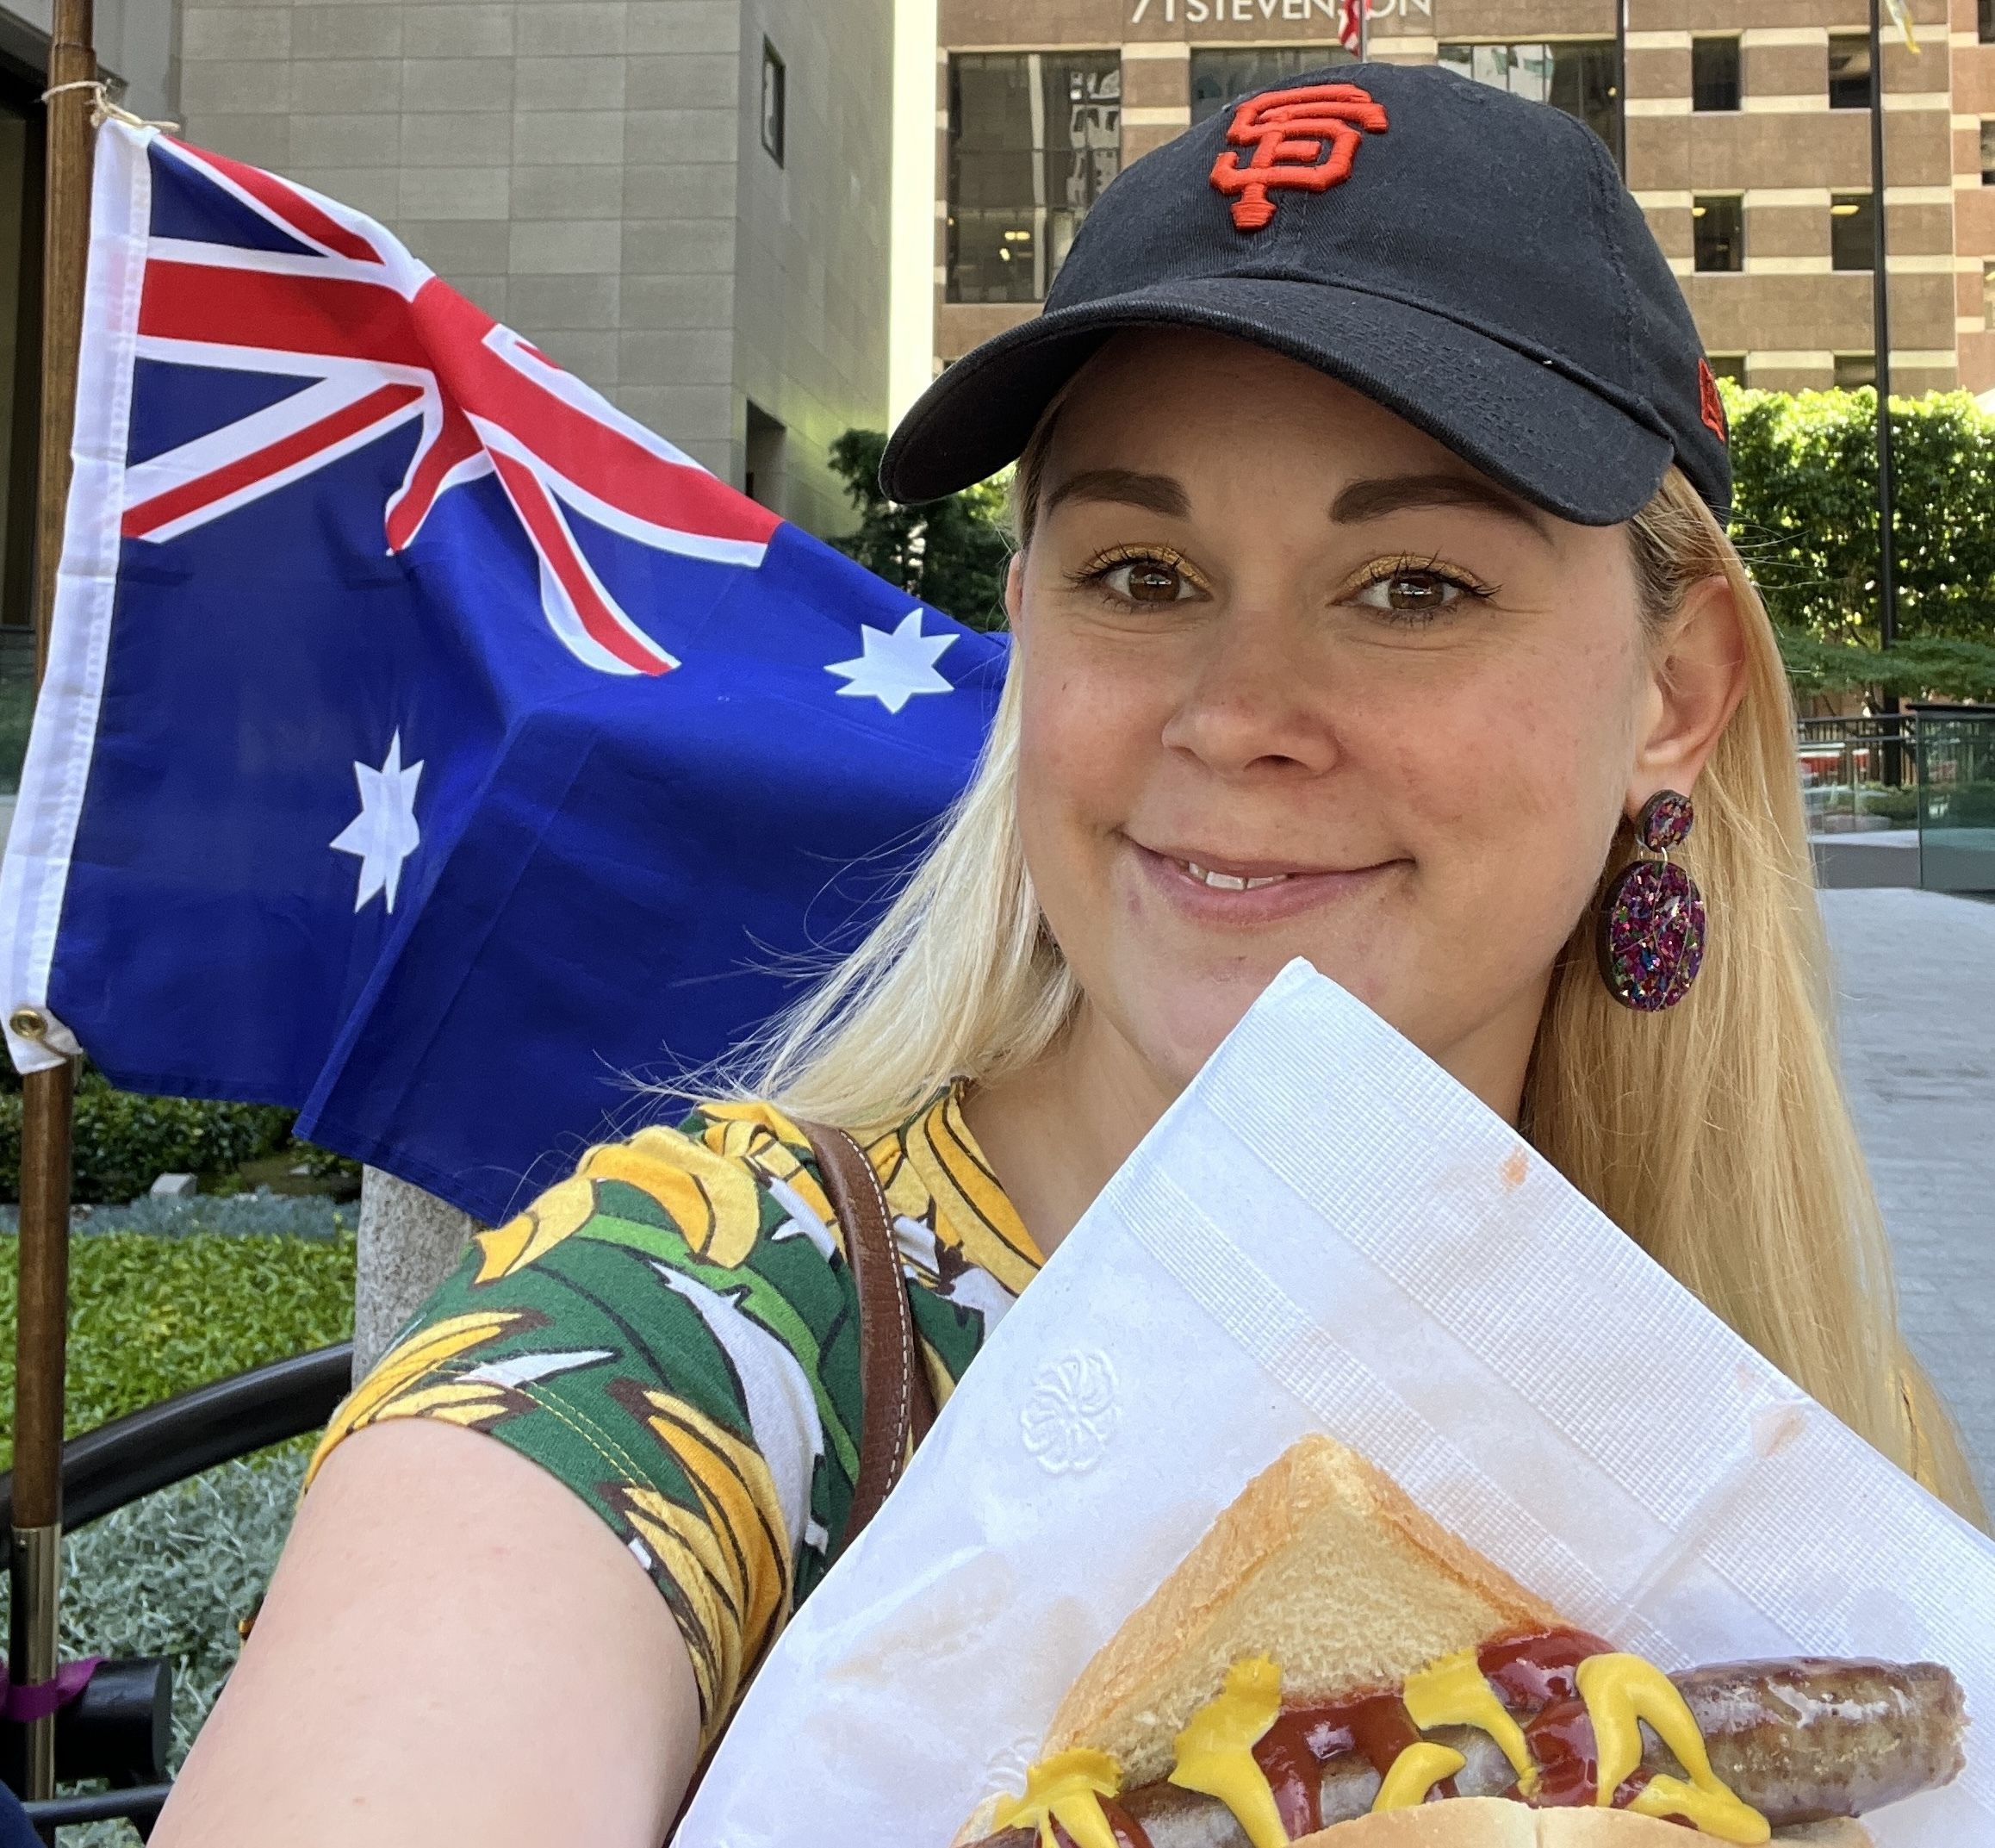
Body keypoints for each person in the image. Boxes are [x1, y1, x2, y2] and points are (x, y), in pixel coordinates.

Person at [153, 63, 1984, 1847]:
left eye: (1413, 585)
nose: (1241, 712)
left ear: (1675, 691)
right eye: (1141, 574)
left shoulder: (1825, 1407)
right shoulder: (699, 1325)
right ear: (1026, 619)